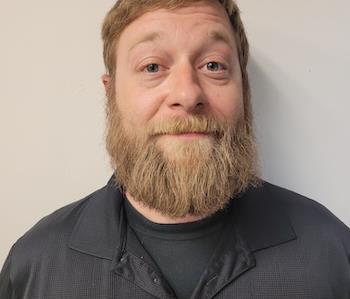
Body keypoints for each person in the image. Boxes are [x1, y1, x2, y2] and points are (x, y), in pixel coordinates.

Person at [1, 0, 349, 298]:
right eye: (152, 67)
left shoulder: (333, 254)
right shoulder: (34, 266)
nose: (187, 94)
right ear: (110, 93)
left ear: (244, 91)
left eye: (213, 65)